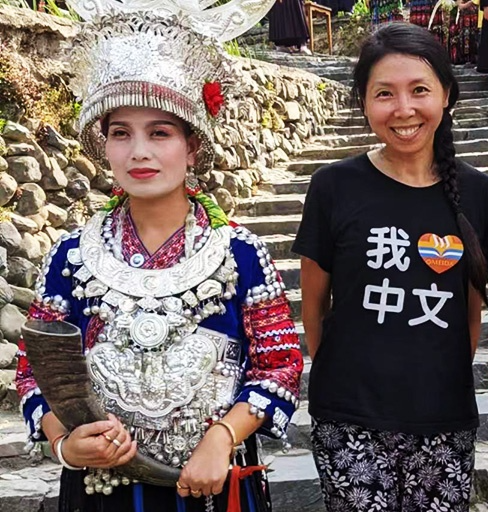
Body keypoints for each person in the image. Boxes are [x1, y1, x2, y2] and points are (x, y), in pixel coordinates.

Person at [14, 10, 303, 512]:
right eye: (121, 133)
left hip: (213, 487)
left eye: (161, 133)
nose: (138, 152)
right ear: (103, 144)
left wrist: (221, 438)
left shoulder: (240, 253)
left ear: (193, 146)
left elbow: (278, 369)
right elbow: (33, 370)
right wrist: (64, 441)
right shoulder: (71, 256)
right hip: (100, 492)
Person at [292, 22, 488, 512]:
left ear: (447, 95)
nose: (403, 110)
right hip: (350, 414)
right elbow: (314, 304)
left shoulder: (480, 194)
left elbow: (470, 313)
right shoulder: (333, 187)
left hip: (443, 414)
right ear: (364, 103)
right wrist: (343, 377)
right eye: (384, 94)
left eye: (419, 90)